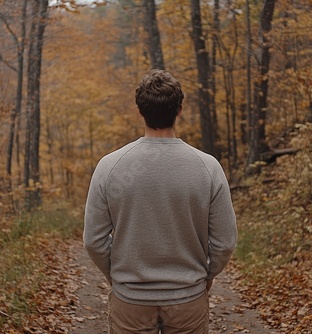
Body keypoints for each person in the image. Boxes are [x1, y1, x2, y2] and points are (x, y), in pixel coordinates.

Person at [83, 69, 237, 333]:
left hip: (130, 303)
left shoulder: (110, 167)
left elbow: (93, 241)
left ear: (140, 111)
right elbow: (225, 242)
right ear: (179, 109)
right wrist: (206, 278)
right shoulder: (207, 167)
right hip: (188, 300)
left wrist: (119, 279)